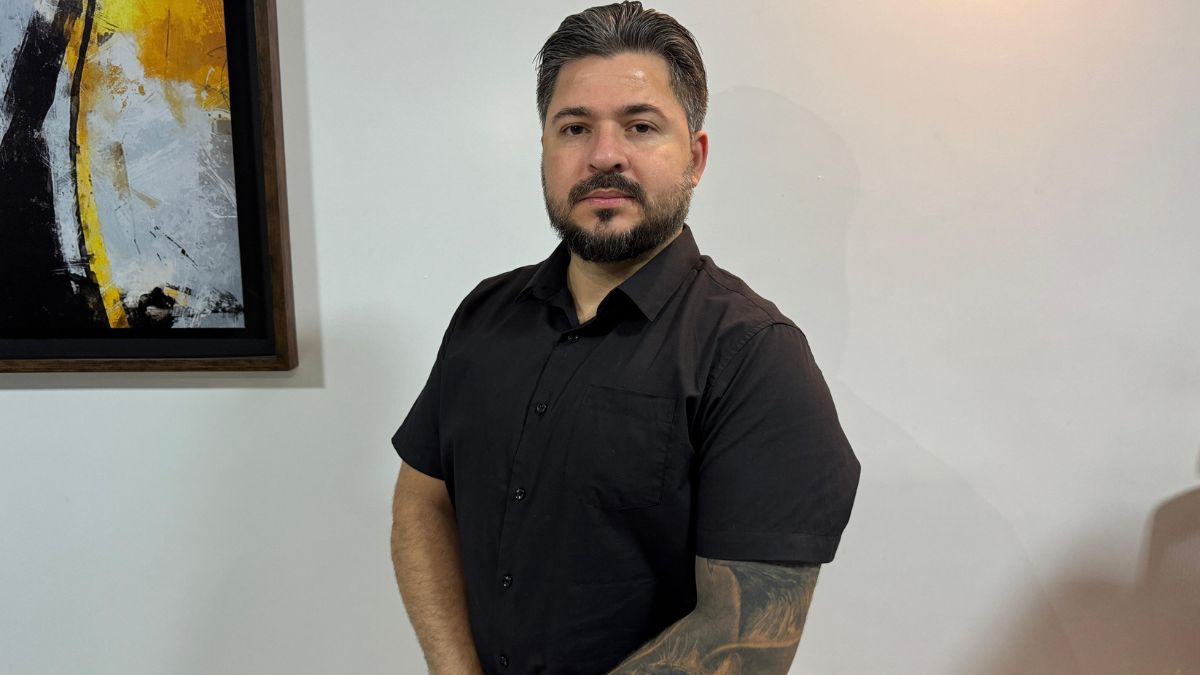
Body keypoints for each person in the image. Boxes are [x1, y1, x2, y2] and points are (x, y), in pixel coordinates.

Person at [390, 3, 860, 673]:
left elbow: (743, 637)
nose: (604, 155)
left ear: (694, 157)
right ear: (545, 150)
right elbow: (422, 498)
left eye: (640, 126)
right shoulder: (484, 316)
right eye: (574, 127)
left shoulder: (755, 355)